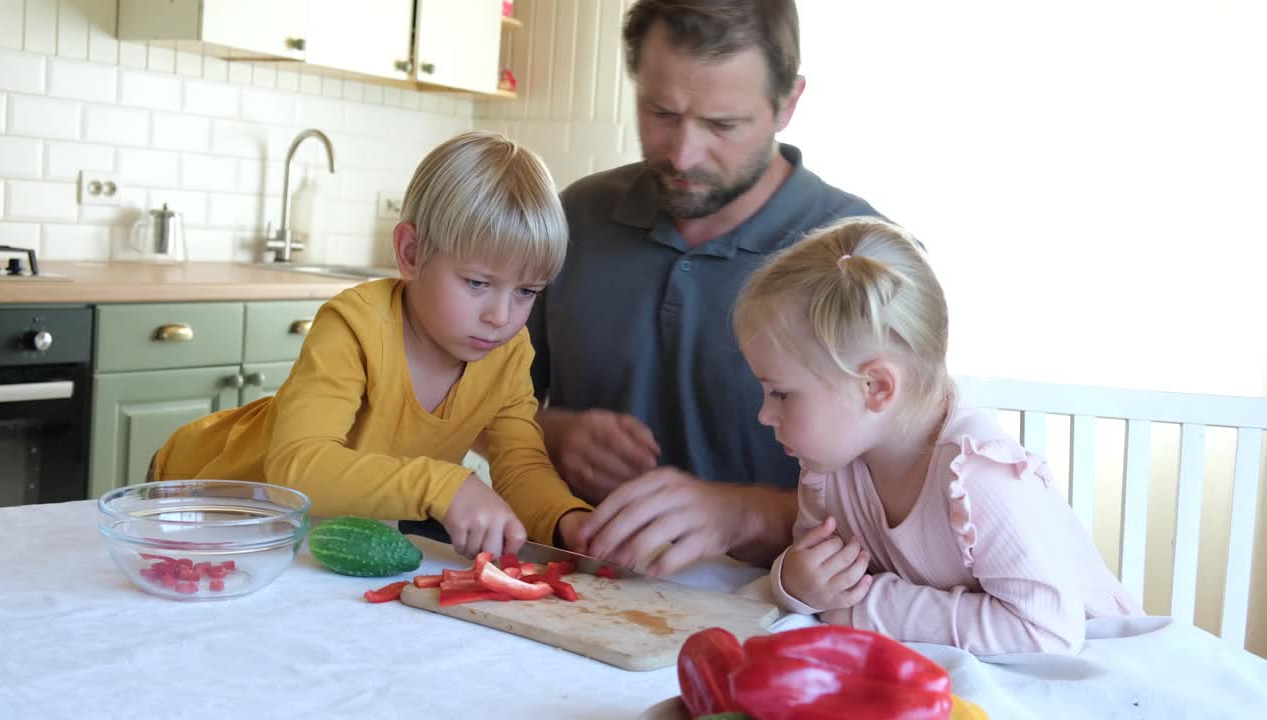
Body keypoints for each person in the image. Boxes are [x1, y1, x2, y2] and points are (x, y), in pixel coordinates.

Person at [530, 0, 886, 576]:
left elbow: (914, 510)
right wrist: (550, 434)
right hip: (570, 593)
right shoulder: (573, 219)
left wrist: (743, 514)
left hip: (784, 614)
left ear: (787, 104)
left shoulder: (866, 260)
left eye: (723, 125)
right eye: (660, 112)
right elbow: (466, 406)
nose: (683, 153)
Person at [149, 131, 592, 559]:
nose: (501, 316)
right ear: (412, 253)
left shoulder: (509, 354)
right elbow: (298, 468)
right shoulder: (355, 325)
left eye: (527, 291)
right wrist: (443, 485)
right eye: (477, 283)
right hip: (199, 495)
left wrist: (568, 521)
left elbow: (521, 466)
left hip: (304, 535)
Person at [734, 216, 1142, 654]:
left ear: (876, 388)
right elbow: (830, 583)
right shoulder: (831, 465)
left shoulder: (981, 479)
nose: (764, 415)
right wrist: (796, 583)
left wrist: (863, 606)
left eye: (780, 393)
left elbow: (1047, 634)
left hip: (1102, 668)